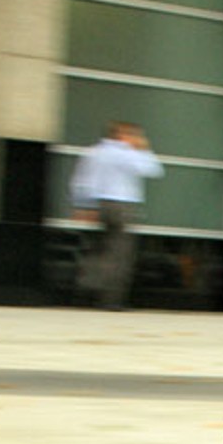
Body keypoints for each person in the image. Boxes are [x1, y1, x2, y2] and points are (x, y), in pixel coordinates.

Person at [68, 121, 162, 310]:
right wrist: (143, 149)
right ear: (122, 135)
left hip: (101, 204)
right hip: (122, 205)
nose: (137, 138)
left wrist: (83, 206)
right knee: (120, 254)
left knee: (100, 250)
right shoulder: (126, 153)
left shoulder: (94, 152)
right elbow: (153, 170)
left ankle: (87, 292)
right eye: (134, 135)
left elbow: (82, 181)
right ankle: (111, 300)